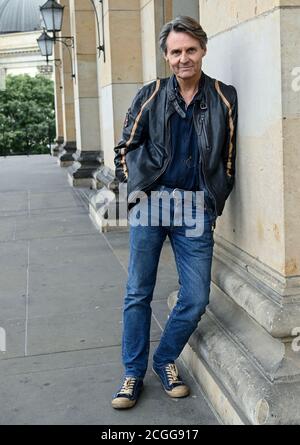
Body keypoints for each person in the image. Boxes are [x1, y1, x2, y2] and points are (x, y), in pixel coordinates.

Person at [112, 16, 238, 409]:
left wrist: (214, 201)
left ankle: (164, 359)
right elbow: (124, 150)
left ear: (202, 50)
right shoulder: (151, 94)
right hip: (153, 202)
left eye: (191, 50)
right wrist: (138, 195)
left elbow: (229, 158)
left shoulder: (223, 96)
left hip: (196, 207)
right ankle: (132, 373)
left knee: (197, 296)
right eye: (176, 52)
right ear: (167, 57)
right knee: (138, 293)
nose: (184, 58)